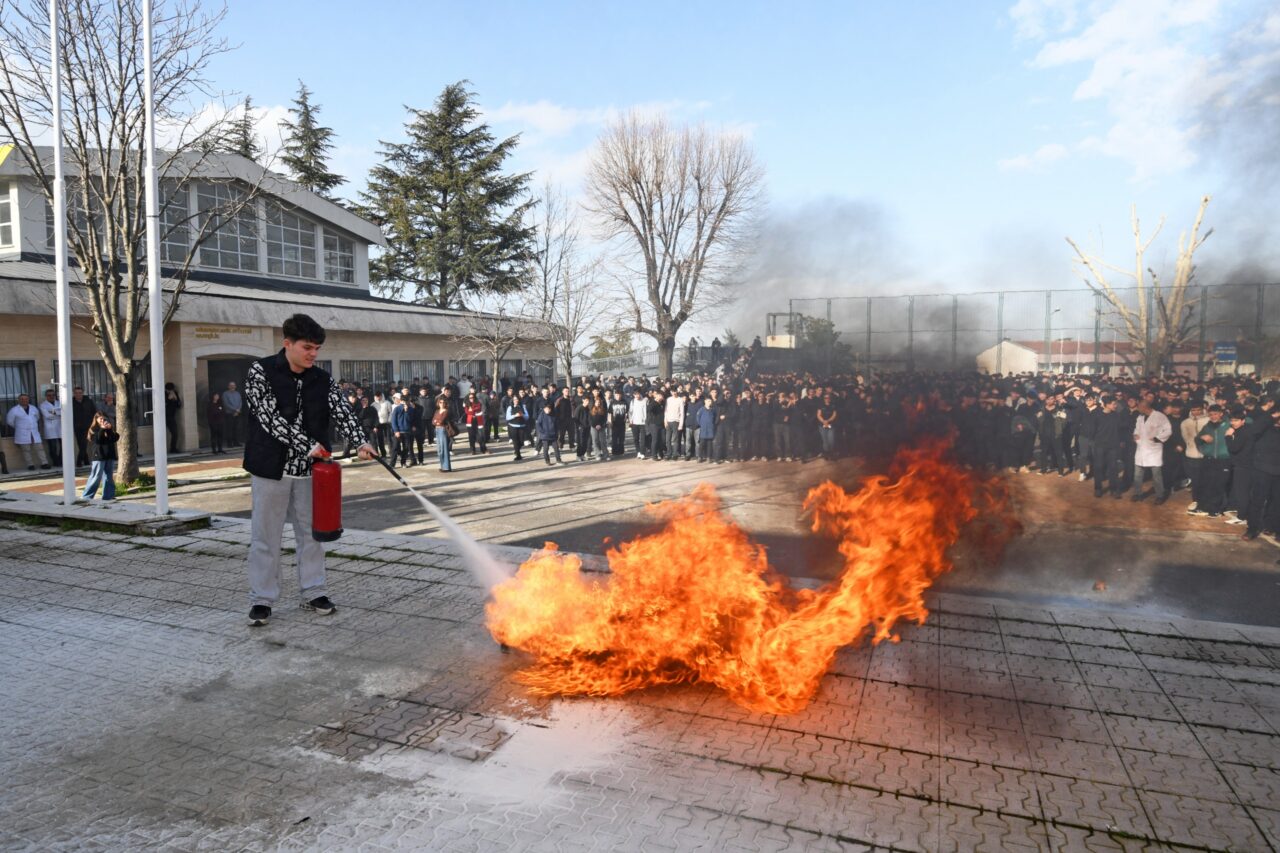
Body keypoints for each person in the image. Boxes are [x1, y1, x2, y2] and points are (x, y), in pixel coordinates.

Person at [242, 314, 374, 628]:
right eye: (307, 348)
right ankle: (262, 599)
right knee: (265, 536)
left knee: (312, 534)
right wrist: (306, 444)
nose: (313, 354)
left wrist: (360, 441)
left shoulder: (322, 379)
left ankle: (314, 592)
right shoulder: (260, 371)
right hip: (269, 468)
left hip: (311, 472)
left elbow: (342, 411)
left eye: (317, 349)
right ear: (287, 343)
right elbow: (268, 417)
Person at [1131, 398, 1171, 503]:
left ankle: (1160, 495)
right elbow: (1137, 429)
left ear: (1144, 407)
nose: (1137, 409)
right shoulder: (1140, 417)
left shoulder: (1160, 416)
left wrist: (1157, 438)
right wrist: (1135, 435)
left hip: (1154, 449)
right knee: (1138, 474)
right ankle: (1137, 493)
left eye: (1139, 407)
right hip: (1141, 448)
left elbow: (1168, 430)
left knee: (1156, 475)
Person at [81, 411, 119, 500]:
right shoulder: (93, 429)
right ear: (96, 419)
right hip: (99, 456)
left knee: (108, 476)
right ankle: (87, 496)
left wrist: (109, 429)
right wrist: (102, 429)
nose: (103, 420)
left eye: (104, 419)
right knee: (96, 476)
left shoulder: (108, 428)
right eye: (100, 418)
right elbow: (98, 440)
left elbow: (115, 438)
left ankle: (108, 496)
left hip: (109, 455)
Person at [6, 393, 49, 470]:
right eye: (22, 399)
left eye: (26, 399)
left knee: (40, 448)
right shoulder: (14, 410)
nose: (24, 400)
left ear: (28, 400)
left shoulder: (33, 408)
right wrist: (20, 427)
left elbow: (37, 417)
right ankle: (30, 465)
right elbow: (10, 421)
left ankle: (44, 463)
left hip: (34, 432)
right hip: (22, 433)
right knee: (26, 450)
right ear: (19, 400)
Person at [70, 385, 96, 467]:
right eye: (76, 393)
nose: (78, 394)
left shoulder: (88, 401)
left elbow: (94, 412)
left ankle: (79, 461)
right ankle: (86, 460)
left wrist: (94, 424)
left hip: (87, 426)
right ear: (74, 393)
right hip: (77, 426)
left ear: (82, 393)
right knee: (80, 444)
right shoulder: (71, 402)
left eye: (80, 393)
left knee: (84, 443)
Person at [39, 387, 63, 467]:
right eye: (49, 395)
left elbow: (64, 413)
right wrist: (58, 413)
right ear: (46, 396)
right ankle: (56, 462)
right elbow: (47, 416)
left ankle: (61, 461)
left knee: (63, 446)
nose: (51, 397)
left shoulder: (59, 403)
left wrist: (54, 412)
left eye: (53, 395)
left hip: (60, 427)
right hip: (50, 429)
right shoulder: (43, 405)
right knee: (53, 447)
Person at [431, 399, 454, 471]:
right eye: (440, 402)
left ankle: (446, 467)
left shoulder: (446, 411)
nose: (442, 404)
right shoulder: (437, 411)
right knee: (440, 449)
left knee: (444, 448)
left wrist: (437, 421)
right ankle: (442, 466)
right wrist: (436, 422)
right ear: (438, 403)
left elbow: (441, 420)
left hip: (443, 430)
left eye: (444, 402)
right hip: (437, 429)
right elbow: (433, 421)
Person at [695, 397, 717, 462]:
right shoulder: (701, 409)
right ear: (705, 402)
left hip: (710, 430)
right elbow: (698, 417)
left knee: (710, 445)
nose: (709, 402)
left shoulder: (713, 410)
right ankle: (700, 457)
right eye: (708, 401)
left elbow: (715, 418)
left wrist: (713, 425)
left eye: (710, 401)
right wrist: (701, 424)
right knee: (702, 444)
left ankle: (709, 457)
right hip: (703, 430)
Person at [222, 381, 243, 446]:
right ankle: (229, 443)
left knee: (236, 429)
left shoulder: (238, 393)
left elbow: (240, 402)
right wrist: (235, 410)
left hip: (237, 414)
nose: (232, 386)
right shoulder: (225, 394)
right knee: (229, 429)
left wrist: (238, 410)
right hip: (229, 414)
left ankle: (236, 442)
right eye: (231, 385)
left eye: (233, 385)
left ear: (235, 386)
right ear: (228, 386)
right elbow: (226, 404)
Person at [164, 382, 183, 452]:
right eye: (169, 390)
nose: (170, 392)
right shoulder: (163, 394)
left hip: (171, 416)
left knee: (175, 433)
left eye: (172, 390)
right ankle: (161, 449)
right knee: (161, 433)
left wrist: (176, 399)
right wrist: (169, 399)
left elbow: (179, 406)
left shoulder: (175, 393)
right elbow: (163, 404)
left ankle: (173, 448)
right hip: (163, 416)